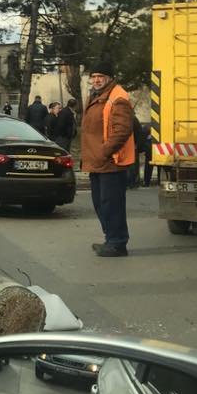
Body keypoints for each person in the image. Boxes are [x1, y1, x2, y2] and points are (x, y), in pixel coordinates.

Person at [81, 61, 135, 258]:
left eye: (100, 77)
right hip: (98, 161)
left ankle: (117, 242)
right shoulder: (98, 96)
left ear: (109, 78)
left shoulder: (117, 97)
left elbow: (122, 130)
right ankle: (110, 239)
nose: (96, 80)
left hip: (110, 161)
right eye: (93, 76)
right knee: (100, 203)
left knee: (111, 204)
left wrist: (105, 151)